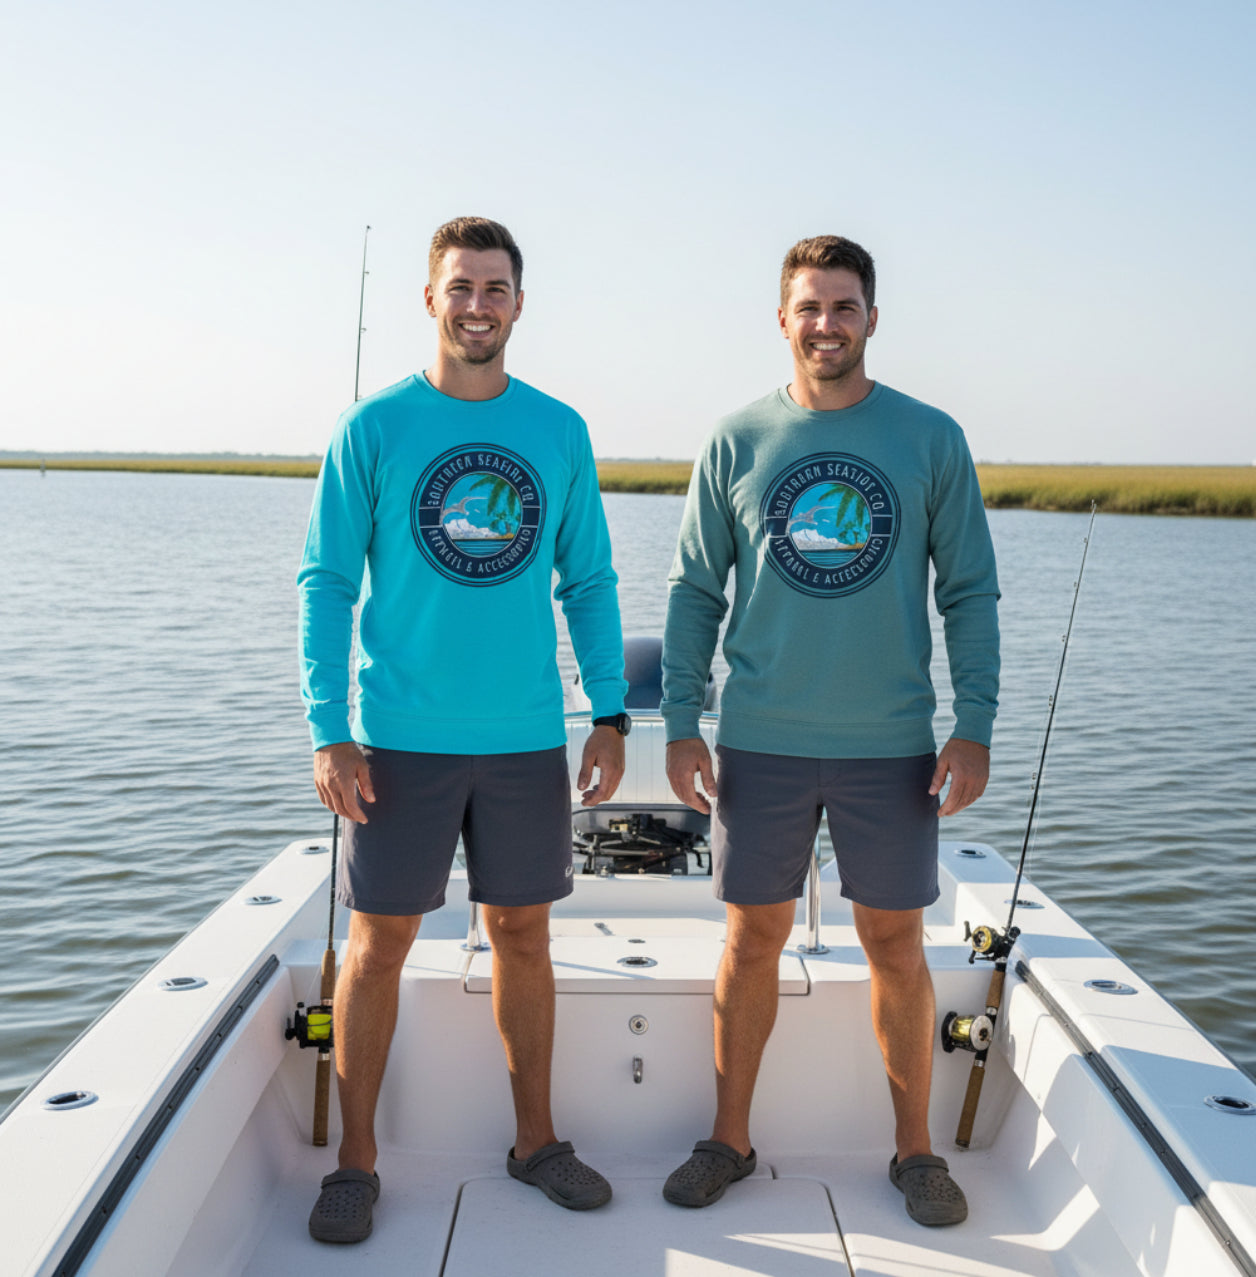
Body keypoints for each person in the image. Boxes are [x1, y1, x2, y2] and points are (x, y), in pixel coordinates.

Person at [298, 217, 631, 1243]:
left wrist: (609, 709)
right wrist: (328, 726)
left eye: (495, 288)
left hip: (527, 736)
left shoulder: (559, 429)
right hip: (396, 738)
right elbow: (326, 582)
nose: (477, 305)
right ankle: (356, 1162)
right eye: (459, 287)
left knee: (524, 936)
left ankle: (534, 1141)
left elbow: (589, 579)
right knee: (377, 944)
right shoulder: (373, 428)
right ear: (430, 299)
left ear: (519, 304)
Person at [660, 235, 999, 1227]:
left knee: (894, 942)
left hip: (890, 740)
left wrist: (971, 721)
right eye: (808, 307)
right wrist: (681, 720)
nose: (825, 324)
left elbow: (969, 590)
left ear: (871, 319)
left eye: (843, 306)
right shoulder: (736, 439)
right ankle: (727, 1138)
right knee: (751, 936)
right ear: (782, 319)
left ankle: (916, 1152)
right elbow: (692, 591)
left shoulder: (929, 438)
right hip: (758, 737)